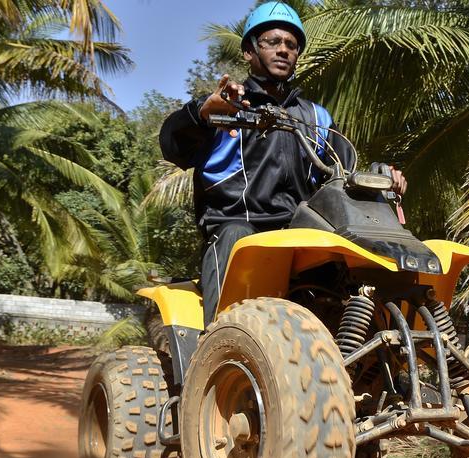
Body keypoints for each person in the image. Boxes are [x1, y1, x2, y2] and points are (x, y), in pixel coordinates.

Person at [159, 2, 407, 328]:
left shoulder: (316, 117)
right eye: (273, 42)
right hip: (238, 227)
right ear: (249, 50)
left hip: (300, 234)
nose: (283, 50)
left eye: (291, 45)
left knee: (355, 258)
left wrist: (383, 175)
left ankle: (377, 353)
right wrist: (203, 113)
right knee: (238, 236)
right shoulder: (227, 105)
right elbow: (171, 143)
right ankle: (218, 346)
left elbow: (342, 174)